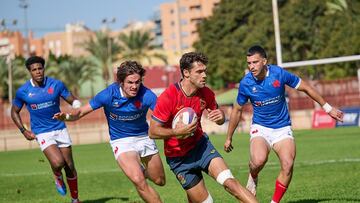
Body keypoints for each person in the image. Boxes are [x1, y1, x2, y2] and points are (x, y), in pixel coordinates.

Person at [224, 45, 344, 203]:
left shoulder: (279, 74)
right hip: (261, 127)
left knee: (288, 164)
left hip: (282, 128)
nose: (251, 66)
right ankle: (253, 175)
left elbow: (306, 87)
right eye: (249, 63)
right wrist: (229, 137)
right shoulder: (246, 83)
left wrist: (327, 108)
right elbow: (237, 110)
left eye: (255, 62)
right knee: (258, 161)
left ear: (265, 61)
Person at [149, 52, 258, 203]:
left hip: (201, 147)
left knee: (230, 183)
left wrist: (221, 117)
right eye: (199, 72)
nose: (204, 75)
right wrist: (176, 132)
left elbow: (218, 117)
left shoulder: (206, 93)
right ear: (186, 73)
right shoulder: (168, 97)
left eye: (205, 71)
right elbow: (153, 131)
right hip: (178, 159)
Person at [53, 60, 165, 203]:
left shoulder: (147, 95)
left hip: (144, 137)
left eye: (137, 82)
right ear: (121, 82)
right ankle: (138, 174)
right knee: (139, 181)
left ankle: (141, 171)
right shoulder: (108, 95)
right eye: (130, 82)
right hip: (122, 141)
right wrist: (67, 117)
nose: (135, 86)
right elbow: (81, 112)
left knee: (159, 180)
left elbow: (163, 115)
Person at [11, 56, 81, 203]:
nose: (38, 72)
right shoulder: (23, 91)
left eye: (40, 68)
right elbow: (14, 111)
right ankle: (57, 176)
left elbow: (73, 100)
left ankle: (75, 200)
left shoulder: (56, 85)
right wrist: (24, 131)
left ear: (44, 68)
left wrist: (77, 107)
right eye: (34, 70)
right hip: (42, 131)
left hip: (60, 128)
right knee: (57, 163)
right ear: (29, 72)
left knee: (69, 166)